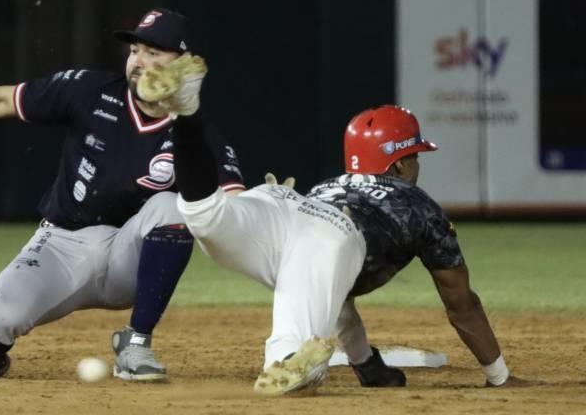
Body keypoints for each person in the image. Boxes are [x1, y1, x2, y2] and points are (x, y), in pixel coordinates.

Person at [0, 8, 245, 382]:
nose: (138, 61)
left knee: (173, 206)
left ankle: (136, 343)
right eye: (134, 50)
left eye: (154, 52)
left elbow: (237, 206)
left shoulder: (197, 135)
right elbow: (2, 99)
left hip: (130, 260)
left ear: (185, 65)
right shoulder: (89, 91)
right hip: (63, 244)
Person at [144, 60, 513, 394]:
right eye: (414, 155)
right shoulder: (420, 206)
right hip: (330, 233)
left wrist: (366, 363)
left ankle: (186, 113)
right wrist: (499, 375)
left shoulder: (329, 185)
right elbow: (462, 306)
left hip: (283, 201)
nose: (417, 164)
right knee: (289, 357)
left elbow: (335, 292)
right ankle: (293, 359)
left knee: (205, 214)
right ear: (400, 164)